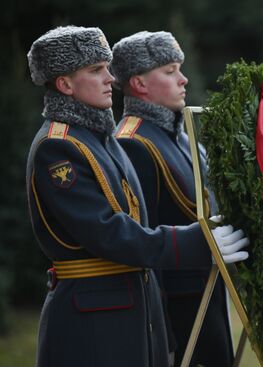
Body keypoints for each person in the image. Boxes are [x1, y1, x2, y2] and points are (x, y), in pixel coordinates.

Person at [26, 26, 248, 367]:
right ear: (65, 84)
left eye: (107, 67)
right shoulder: (59, 147)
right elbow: (108, 233)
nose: (111, 78)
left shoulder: (98, 138)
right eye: (95, 70)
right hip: (93, 317)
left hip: (133, 306)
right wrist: (197, 242)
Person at [109, 31, 237, 367]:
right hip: (175, 307)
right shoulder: (132, 142)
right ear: (138, 83)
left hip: (205, 291)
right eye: (169, 71)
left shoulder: (179, 136)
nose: (183, 79)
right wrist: (161, 332)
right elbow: (143, 240)